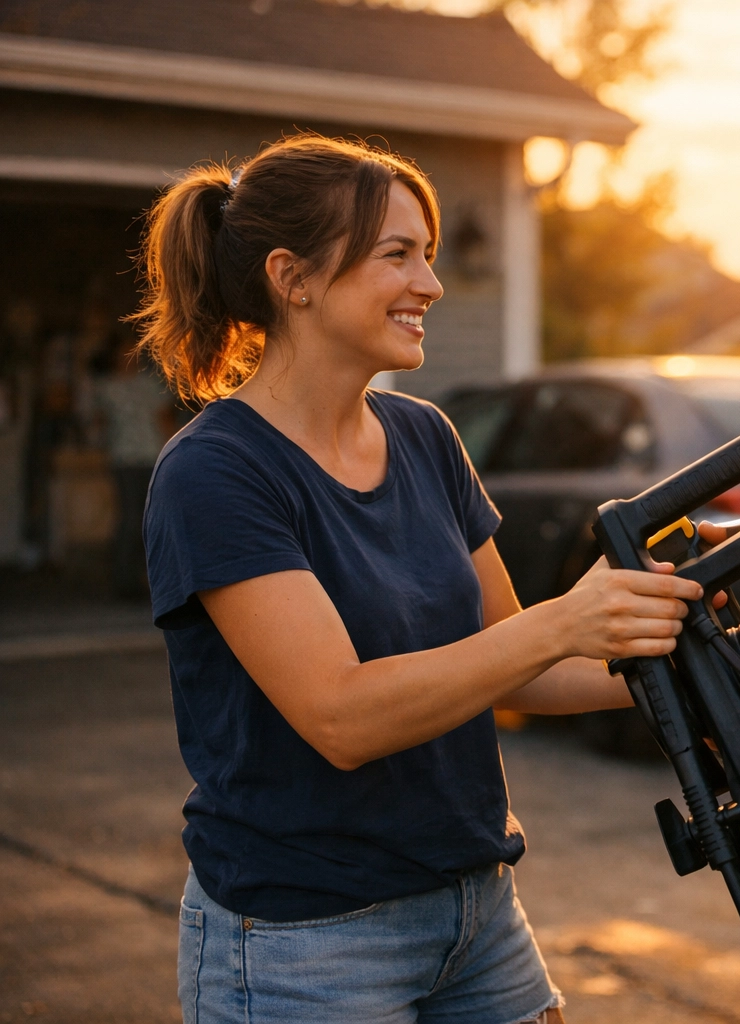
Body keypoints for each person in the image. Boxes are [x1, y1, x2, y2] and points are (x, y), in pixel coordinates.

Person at [136, 134, 701, 1023]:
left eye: (429, 256)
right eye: (397, 255)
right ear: (295, 278)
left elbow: (526, 670)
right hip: (305, 942)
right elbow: (341, 715)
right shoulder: (215, 473)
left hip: (474, 909)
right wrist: (563, 620)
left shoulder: (426, 438)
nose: (430, 286)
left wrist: (712, 660)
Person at [93, 329, 173, 597]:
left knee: (151, 520)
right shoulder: (107, 387)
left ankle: (148, 579)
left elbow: (165, 421)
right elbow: (99, 424)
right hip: (125, 458)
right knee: (130, 520)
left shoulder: (150, 384)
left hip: (152, 457)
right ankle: (124, 580)